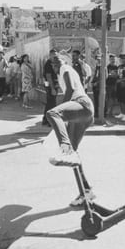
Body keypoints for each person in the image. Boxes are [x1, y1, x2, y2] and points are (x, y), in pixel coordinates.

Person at [45, 51, 96, 206]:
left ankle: (64, 146)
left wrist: (62, 112)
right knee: (73, 155)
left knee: (53, 113)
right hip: (84, 112)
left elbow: (71, 90)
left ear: (64, 61)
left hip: (81, 103)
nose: (56, 63)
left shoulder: (65, 69)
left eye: (58, 60)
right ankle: (86, 191)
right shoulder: (63, 72)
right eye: (53, 62)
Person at [42, 49, 61, 126]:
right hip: (50, 85)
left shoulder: (54, 63)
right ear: (50, 55)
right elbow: (48, 76)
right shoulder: (48, 64)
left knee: (50, 103)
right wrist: (52, 88)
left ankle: (46, 119)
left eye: (56, 55)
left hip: (54, 85)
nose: (55, 57)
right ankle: (50, 120)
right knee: (52, 103)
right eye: (53, 55)